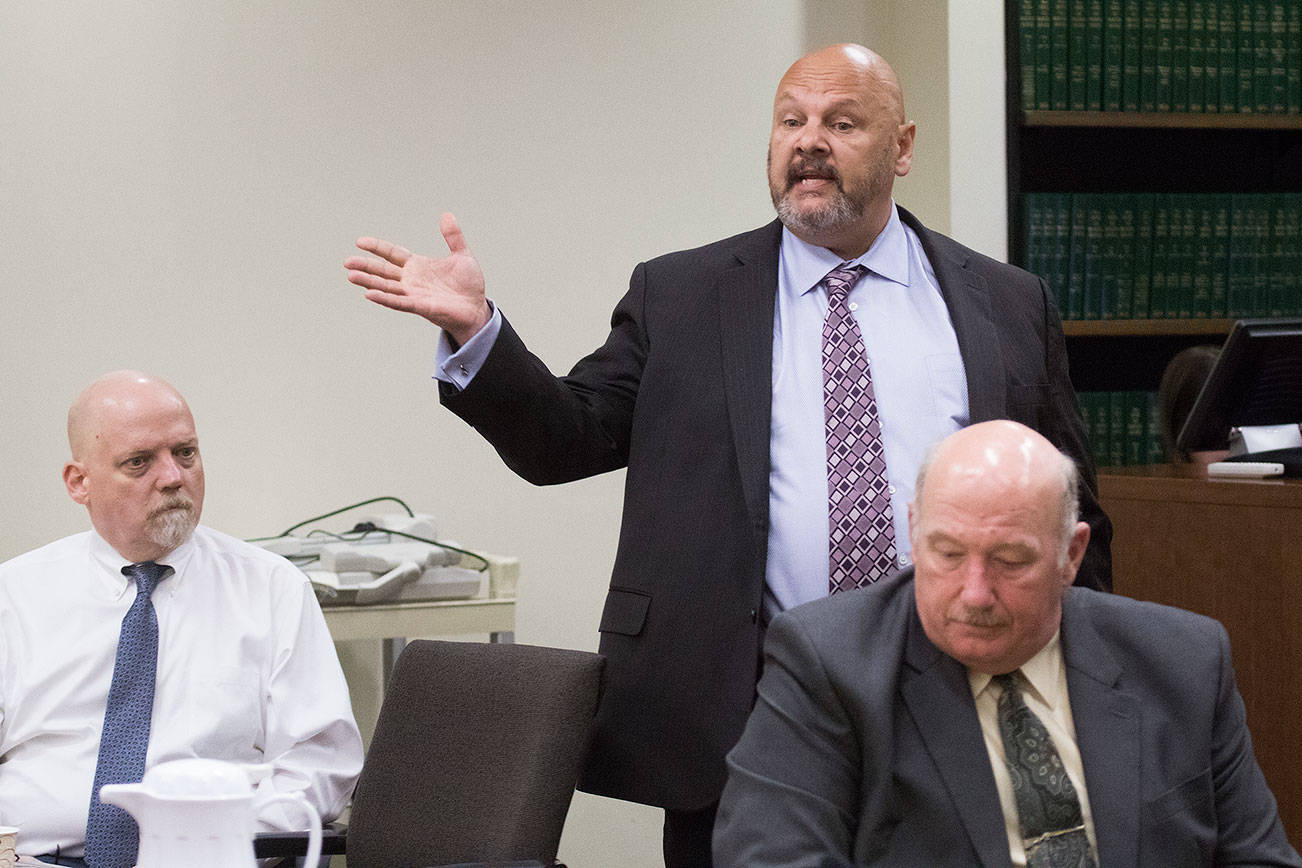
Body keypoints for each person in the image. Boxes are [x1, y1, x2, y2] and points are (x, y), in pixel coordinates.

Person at [344, 43, 1113, 865]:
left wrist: (1081, 695)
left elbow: (1073, 513)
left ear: (904, 147)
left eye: (842, 122)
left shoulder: (1004, 300)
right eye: (792, 121)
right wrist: (477, 333)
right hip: (748, 721)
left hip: (957, 701)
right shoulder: (684, 295)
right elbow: (566, 437)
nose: (809, 141)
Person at [713, 420, 1298, 867]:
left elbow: (1257, 858)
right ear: (914, 535)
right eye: (946, 553)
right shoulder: (828, 664)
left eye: (1010, 560)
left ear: (1071, 554)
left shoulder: (1183, 660)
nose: (974, 593)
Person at [0, 371, 363, 867]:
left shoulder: (271, 588)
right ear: (79, 482)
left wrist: (214, 839)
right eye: (139, 462)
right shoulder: (15, 594)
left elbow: (321, 765)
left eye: (185, 453)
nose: (173, 477)